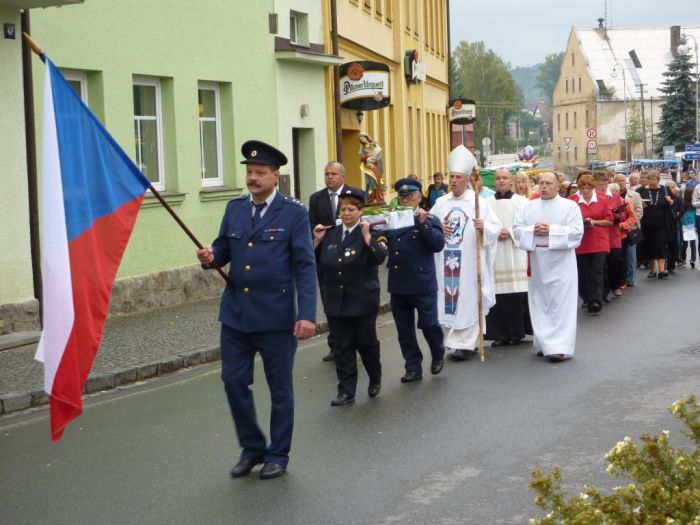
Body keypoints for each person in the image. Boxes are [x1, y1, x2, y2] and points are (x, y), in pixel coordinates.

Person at [196, 140, 316, 480]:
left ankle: (278, 454)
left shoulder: (293, 213)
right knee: (233, 381)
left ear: (276, 176)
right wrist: (211, 257)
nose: (253, 178)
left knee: (280, 389)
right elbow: (223, 247)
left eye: (260, 173)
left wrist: (306, 314)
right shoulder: (235, 208)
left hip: (276, 317)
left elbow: (305, 267)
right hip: (235, 315)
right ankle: (252, 448)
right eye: (249, 172)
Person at [312, 187, 386, 406]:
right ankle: (346, 391)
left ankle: (374, 377)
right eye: (343, 209)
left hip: (362, 299)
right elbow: (316, 261)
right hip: (336, 300)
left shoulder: (370, 231)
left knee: (366, 343)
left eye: (351, 209)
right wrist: (316, 242)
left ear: (360, 211)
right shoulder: (331, 233)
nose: (346, 213)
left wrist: (366, 236)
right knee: (342, 347)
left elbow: (379, 257)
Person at [430, 145, 501, 362]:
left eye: (457, 177)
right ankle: (453, 341)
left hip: (470, 261)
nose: (452, 181)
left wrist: (484, 227)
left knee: (469, 298)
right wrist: (438, 226)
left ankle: (466, 343)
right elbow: (429, 227)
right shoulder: (441, 203)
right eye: (451, 177)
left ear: (467, 179)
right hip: (447, 260)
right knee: (449, 298)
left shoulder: (479, 202)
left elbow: (495, 228)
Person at [513, 172, 583, 362]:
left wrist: (551, 230)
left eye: (548, 183)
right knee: (540, 302)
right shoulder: (528, 207)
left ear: (558, 186)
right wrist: (532, 230)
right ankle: (545, 343)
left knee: (560, 303)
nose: (543, 186)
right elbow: (517, 231)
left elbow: (577, 233)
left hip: (561, 261)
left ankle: (559, 346)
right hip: (537, 260)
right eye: (541, 183)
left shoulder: (570, 207)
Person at [385, 177, 446, 382]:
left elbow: (437, 245)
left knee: (429, 324)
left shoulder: (429, 220)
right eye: (402, 197)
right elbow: (381, 238)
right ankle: (413, 366)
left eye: (410, 196)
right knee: (405, 331)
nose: (406, 200)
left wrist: (422, 224)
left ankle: (437, 352)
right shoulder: (393, 220)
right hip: (399, 283)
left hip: (422, 283)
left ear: (419, 197)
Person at [308, 161, 361, 362]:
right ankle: (335, 344)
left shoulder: (355, 194)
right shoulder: (316, 199)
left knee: (352, 301)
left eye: (333, 174)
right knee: (330, 302)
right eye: (326, 173)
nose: (329, 177)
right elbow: (310, 225)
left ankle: (355, 342)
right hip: (327, 259)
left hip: (351, 258)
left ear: (342, 176)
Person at [484, 168, 532, 346]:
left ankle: (517, 332)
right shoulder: (485, 203)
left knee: (518, 291)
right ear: (494, 182)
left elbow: (529, 225)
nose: (501, 181)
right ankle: (499, 334)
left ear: (511, 181)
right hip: (495, 252)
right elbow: (481, 226)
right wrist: (494, 232)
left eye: (505, 178)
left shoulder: (523, 202)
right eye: (498, 178)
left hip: (516, 251)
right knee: (498, 293)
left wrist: (510, 232)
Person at [570, 173, 612, 313]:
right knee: (584, 272)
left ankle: (596, 300)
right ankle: (586, 298)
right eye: (583, 187)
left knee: (597, 271)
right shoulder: (573, 201)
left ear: (593, 187)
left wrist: (594, 222)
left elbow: (609, 220)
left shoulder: (602, 199)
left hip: (600, 241)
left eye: (588, 187)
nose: (586, 190)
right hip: (582, 242)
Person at [637, 171, 673, 279]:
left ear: (658, 180)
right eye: (650, 179)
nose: (653, 182)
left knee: (661, 246)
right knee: (650, 247)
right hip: (646, 225)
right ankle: (652, 270)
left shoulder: (664, 190)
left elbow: (673, 203)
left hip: (661, 224)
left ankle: (662, 270)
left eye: (655, 179)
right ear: (647, 180)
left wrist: (670, 201)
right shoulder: (640, 191)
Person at [613, 173, 643, 287]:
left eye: (622, 180)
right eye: (618, 180)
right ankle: (621, 279)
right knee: (620, 257)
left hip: (631, 229)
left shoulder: (634, 195)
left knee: (630, 256)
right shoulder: (611, 195)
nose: (620, 182)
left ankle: (630, 279)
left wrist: (627, 224)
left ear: (626, 182)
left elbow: (639, 212)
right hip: (616, 231)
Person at [359, 132, 385, 203]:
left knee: (377, 180)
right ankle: (370, 197)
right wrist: (366, 158)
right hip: (368, 167)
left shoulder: (373, 145)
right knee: (370, 182)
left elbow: (378, 151)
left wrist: (369, 137)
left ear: (366, 138)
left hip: (374, 166)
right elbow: (361, 158)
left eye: (363, 138)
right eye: (361, 139)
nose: (362, 140)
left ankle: (377, 197)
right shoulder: (363, 148)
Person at [665, 181, 683, 272]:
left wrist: (676, 214)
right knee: (664, 245)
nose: (670, 189)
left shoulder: (679, 199)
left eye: (672, 187)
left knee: (674, 245)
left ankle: (671, 265)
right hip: (664, 224)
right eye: (668, 187)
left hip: (674, 224)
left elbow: (681, 211)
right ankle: (664, 265)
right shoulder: (663, 198)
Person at [681, 186, 697, 268]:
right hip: (692, 225)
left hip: (685, 226)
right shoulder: (694, 205)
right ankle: (692, 260)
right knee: (692, 244)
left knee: (685, 244)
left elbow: (680, 216)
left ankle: (683, 259)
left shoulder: (683, 204)